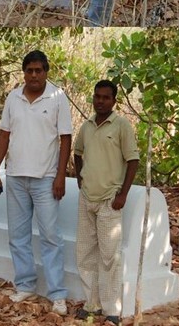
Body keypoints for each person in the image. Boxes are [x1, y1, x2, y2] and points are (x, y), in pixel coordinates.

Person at [0, 50, 72, 316]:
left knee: (51, 237)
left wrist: (60, 175)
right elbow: (4, 135)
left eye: (39, 70)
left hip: (46, 179)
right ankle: (25, 285)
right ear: (23, 72)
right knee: (18, 236)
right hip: (16, 177)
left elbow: (66, 139)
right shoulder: (14, 97)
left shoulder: (57, 97)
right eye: (29, 70)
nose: (34, 75)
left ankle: (57, 295)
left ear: (46, 71)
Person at [73, 80, 139, 326]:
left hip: (110, 199)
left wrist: (122, 194)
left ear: (114, 101)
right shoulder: (87, 126)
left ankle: (112, 310)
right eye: (97, 96)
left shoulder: (122, 126)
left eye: (105, 97)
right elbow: (77, 153)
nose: (100, 101)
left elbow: (133, 160)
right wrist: (80, 179)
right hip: (86, 198)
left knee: (109, 256)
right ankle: (92, 306)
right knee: (85, 253)